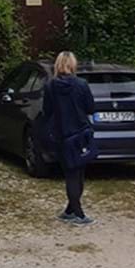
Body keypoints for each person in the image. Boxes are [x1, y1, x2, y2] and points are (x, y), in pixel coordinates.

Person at [41, 50, 96, 225]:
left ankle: (70, 209)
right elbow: (90, 107)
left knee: (71, 172)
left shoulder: (50, 86)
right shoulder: (81, 84)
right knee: (77, 173)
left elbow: (47, 110)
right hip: (80, 132)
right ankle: (78, 213)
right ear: (73, 65)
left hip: (61, 133)